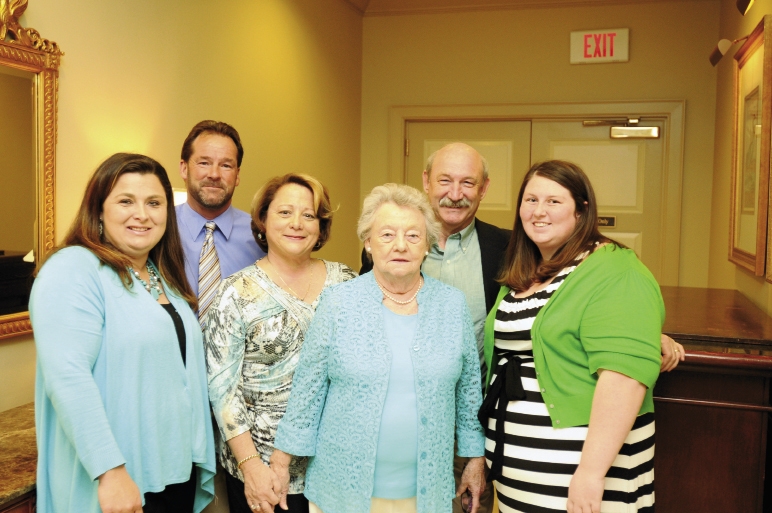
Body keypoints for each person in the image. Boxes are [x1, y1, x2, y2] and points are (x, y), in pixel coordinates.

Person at [359, 143, 682, 513]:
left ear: (484, 189)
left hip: (523, 447)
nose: (455, 193)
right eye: (531, 200)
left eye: (468, 182)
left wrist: (641, 335)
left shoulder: (512, 248)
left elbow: (610, 341)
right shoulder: (525, 264)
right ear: (426, 182)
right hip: (418, 427)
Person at [271, 183, 486, 513]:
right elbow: (308, 390)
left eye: (413, 236)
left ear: (427, 245)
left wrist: (474, 459)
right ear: (368, 243)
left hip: (425, 494)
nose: (400, 245)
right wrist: (281, 462)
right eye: (386, 235)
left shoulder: (451, 305)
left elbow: (470, 392)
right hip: (341, 491)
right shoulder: (339, 302)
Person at [31, 153, 216, 513]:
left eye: (154, 203)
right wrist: (110, 472)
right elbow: (68, 378)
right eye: (126, 201)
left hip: (174, 473)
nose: (142, 214)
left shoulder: (162, 277)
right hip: (119, 478)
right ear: (98, 210)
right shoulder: (73, 268)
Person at [479, 160, 663, 513]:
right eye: (530, 200)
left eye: (554, 201)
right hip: (519, 482)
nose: (539, 212)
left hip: (584, 482)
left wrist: (590, 474)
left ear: (582, 210)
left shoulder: (615, 269)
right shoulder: (525, 272)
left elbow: (625, 377)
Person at [204, 174, 357, 513]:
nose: (297, 224)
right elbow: (222, 391)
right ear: (262, 220)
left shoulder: (346, 283)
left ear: (321, 226)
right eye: (284, 212)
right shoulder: (236, 292)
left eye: (309, 215)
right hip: (261, 472)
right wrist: (251, 467)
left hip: (335, 464)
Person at [176, 120, 266, 325]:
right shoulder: (159, 229)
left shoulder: (261, 234)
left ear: (237, 175)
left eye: (226, 165)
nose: (214, 174)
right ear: (184, 168)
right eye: (204, 163)